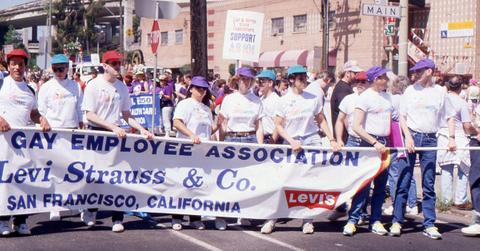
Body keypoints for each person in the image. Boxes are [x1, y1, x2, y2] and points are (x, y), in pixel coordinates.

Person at [81, 50, 154, 233]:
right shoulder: (93, 85)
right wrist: (111, 127)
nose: (116, 67)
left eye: (118, 63)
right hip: (97, 133)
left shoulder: (121, 87)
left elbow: (127, 115)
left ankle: (117, 217)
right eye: (113, 64)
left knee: (118, 177)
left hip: (116, 135)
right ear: (104, 65)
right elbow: (89, 114)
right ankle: (91, 209)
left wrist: (142, 129)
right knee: (95, 176)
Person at [390, 59, 456, 239]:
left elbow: (450, 116)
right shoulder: (410, 91)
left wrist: (451, 138)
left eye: (419, 71)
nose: (415, 74)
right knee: (403, 179)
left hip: (430, 139)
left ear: (429, 71)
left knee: (428, 183)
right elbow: (402, 117)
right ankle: (397, 220)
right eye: (415, 71)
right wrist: (408, 137)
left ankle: (429, 223)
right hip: (412, 136)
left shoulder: (440, 92)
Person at [274, 65, 338, 234]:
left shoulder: (313, 98)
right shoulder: (283, 100)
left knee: (310, 181)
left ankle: (307, 221)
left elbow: (321, 120)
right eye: (300, 78)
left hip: (312, 141)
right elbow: (279, 126)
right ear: (292, 80)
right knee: (284, 181)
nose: (304, 81)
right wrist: (291, 140)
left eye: (305, 78)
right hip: (292, 142)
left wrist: (332, 139)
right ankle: (272, 218)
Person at [0, 49, 51, 236]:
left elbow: (33, 113)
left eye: (20, 64)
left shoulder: (30, 89)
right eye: (13, 63)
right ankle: (3, 220)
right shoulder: (2, 83)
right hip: (2, 144)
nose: (17, 67)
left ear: (25, 66)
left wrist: (42, 119)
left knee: (24, 181)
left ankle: (21, 220)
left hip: (23, 145)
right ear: (8, 65)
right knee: (5, 182)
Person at [342, 66, 393, 236]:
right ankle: (352, 220)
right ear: (376, 79)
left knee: (380, 186)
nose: (386, 79)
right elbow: (356, 126)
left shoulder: (388, 97)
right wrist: (374, 142)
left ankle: (376, 220)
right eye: (383, 77)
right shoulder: (364, 98)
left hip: (384, 144)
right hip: (368, 143)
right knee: (363, 185)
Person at [38, 54, 84, 221]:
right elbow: (41, 111)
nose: (59, 71)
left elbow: (80, 107)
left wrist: (81, 123)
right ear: (52, 69)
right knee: (54, 170)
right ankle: (55, 207)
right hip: (53, 133)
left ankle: (75, 202)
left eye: (62, 68)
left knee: (74, 169)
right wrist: (44, 124)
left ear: (67, 68)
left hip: (72, 132)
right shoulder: (46, 87)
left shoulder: (75, 86)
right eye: (56, 69)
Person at [217, 67, 264, 230]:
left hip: (250, 139)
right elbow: (223, 124)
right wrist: (221, 145)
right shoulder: (229, 99)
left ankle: (243, 213)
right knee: (227, 178)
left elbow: (259, 125)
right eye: (243, 79)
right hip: (232, 139)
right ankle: (222, 215)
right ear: (238, 80)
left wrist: (260, 147)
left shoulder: (257, 100)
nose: (246, 82)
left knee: (246, 178)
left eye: (249, 79)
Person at [172, 76, 216, 230]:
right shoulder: (184, 104)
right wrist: (191, 135)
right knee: (181, 184)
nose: (201, 91)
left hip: (202, 152)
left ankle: (194, 217)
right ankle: (176, 216)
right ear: (191, 89)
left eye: (204, 89)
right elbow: (177, 122)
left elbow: (209, 130)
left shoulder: (206, 109)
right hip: (186, 150)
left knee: (198, 184)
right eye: (198, 88)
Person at [328, 61, 363, 221]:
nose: (357, 77)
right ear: (347, 72)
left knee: (347, 175)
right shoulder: (344, 90)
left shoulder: (344, 88)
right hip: (347, 139)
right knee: (352, 176)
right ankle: (348, 208)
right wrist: (339, 138)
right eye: (355, 74)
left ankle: (343, 206)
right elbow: (344, 118)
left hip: (346, 138)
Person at [437, 76, 472, 210]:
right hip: (458, 135)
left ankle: (446, 201)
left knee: (446, 169)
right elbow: (467, 126)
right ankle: (460, 200)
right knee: (464, 168)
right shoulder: (461, 102)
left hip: (442, 135)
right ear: (461, 87)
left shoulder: (441, 100)